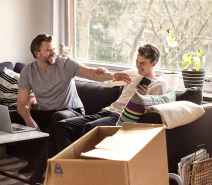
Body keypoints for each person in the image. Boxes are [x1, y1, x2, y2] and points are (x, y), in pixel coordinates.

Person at [11, 33, 131, 184]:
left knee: (58, 118)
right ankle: (34, 162)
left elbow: (92, 74)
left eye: (53, 48)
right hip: (47, 112)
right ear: (37, 53)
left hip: (72, 111)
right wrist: (29, 120)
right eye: (48, 50)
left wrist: (113, 76)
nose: (53, 52)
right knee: (15, 117)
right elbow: (22, 103)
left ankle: (50, 170)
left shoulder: (65, 63)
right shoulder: (28, 71)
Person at [50, 43, 167, 157]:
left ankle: (81, 170)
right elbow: (106, 83)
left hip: (121, 118)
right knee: (62, 126)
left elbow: (154, 112)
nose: (138, 66)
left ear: (154, 63)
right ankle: (63, 168)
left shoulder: (159, 84)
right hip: (106, 112)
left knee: (91, 127)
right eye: (137, 61)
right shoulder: (132, 73)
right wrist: (102, 71)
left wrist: (144, 97)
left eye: (142, 63)